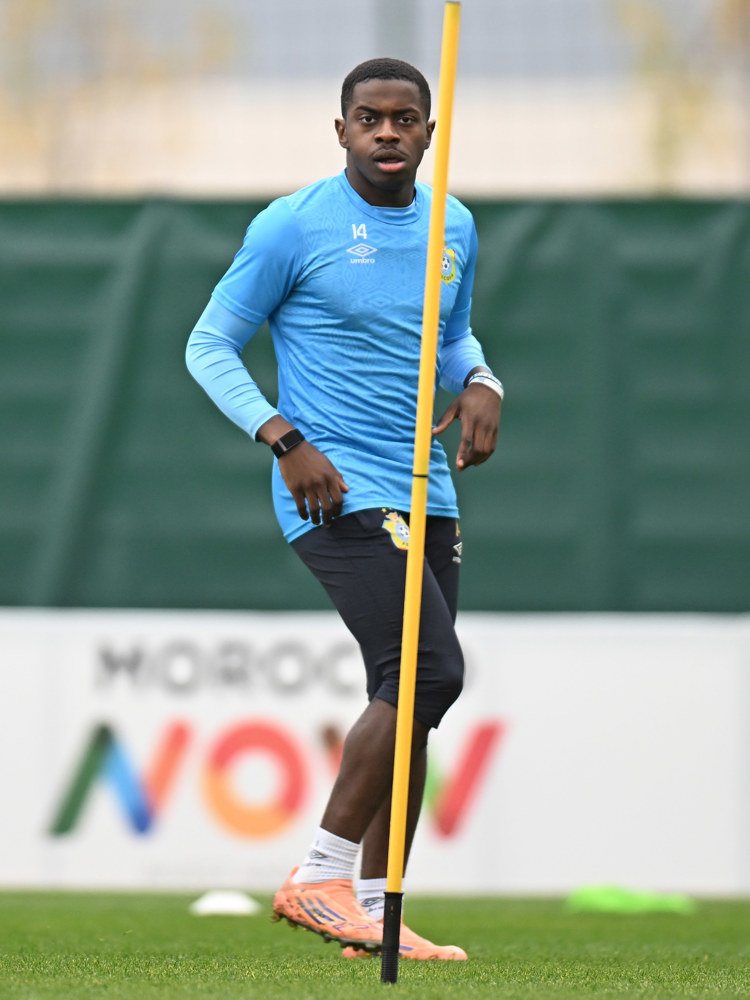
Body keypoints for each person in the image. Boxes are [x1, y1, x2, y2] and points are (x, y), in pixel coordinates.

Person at [186, 57, 502, 961]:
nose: (388, 133)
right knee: (429, 670)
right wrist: (283, 438)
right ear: (342, 131)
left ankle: (374, 912)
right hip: (332, 486)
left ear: (429, 132)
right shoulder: (293, 225)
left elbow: (450, 336)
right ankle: (319, 876)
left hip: (426, 486)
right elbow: (208, 345)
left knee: (410, 698)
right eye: (370, 119)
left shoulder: (454, 225)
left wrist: (482, 380)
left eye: (405, 119)